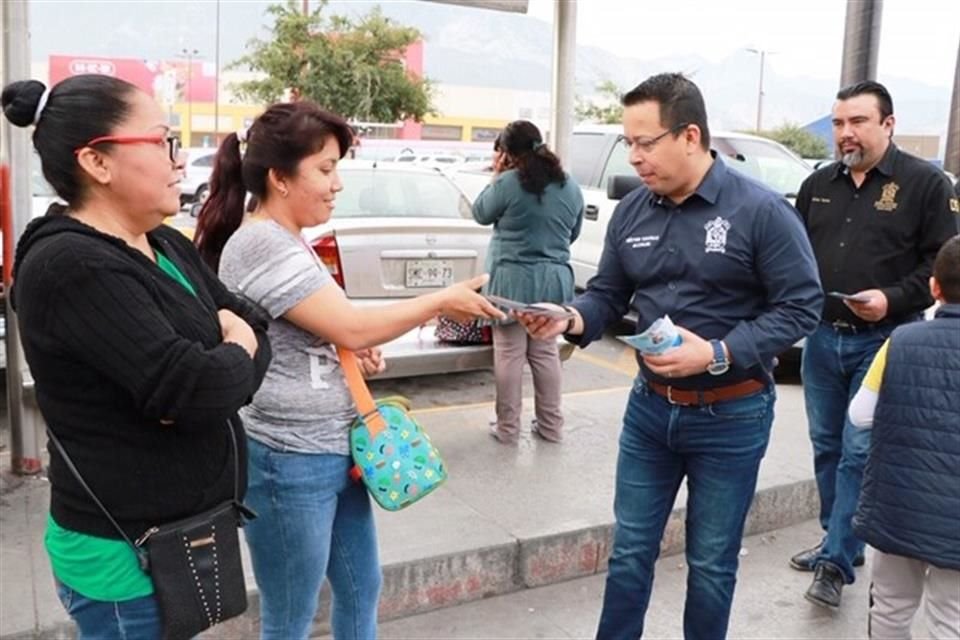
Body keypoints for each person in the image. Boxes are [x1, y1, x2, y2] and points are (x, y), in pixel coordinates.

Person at [518, 72, 822, 639]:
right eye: (628, 143)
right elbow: (608, 293)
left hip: (731, 415)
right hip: (650, 412)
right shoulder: (633, 213)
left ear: (689, 135)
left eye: (644, 142)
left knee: (709, 564)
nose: (633, 157)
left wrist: (719, 352)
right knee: (630, 551)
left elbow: (802, 307)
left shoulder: (760, 212)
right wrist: (573, 316)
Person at [194, 100, 504, 640]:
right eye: (326, 168)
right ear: (279, 178)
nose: (337, 183)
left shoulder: (293, 240)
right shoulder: (260, 242)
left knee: (363, 591)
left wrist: (348, 350)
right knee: (289, 618)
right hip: (290, 461)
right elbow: (353, 325)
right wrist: (438, 302)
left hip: (338, 448)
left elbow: (331, 329)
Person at [2, 75, 271, 639]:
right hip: (126, 559)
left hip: (182, 534)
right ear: (97, 162)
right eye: (162, 141)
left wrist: (228, 354)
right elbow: (198, 388)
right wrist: (232, 350)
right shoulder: (72, 266)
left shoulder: (162, 241)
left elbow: (251, 323)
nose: (179, 160)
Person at [791, 80, 957, 609]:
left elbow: (943, 262)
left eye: (858, 122)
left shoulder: (926, 185)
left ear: (888, 124)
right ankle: (838, 540)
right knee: (826, 445)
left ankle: (836, 563)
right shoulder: (817, 184)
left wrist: (890, 298)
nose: (846, 133)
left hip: (886, 341)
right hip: (822, 337)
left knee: (859, 450)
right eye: (839, 123)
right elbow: (795, 255)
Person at [846, 235, 960, 639]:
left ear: (934, 286)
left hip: (898, 506)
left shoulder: (901, 341)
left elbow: (859, 416)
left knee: (891, 608)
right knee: (951, 618)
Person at [472, 120, 584, 443]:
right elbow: (572, 234)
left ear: (506, 153)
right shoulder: (570, 186)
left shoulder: (507, 183)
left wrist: (496, 172)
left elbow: (480, 213)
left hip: (511, 280)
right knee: (545, 351)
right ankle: (551, 427)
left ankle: (507, 429)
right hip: (554, 280)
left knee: (509, 352)